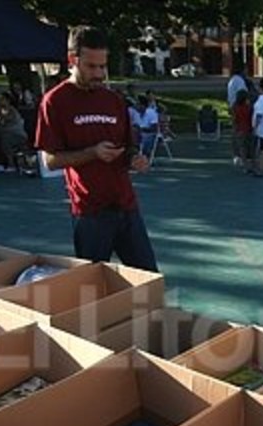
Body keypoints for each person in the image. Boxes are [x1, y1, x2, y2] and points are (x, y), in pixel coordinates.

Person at [35, 26, 158, 271]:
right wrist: (92, 152)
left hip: (126, 206)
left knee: (148, 279)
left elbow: (128, 147)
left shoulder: (113, 100)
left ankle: (148, 312)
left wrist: (135, 159)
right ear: (73, 60)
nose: (100, 74)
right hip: (89, 211)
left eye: (103, 66)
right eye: (92, 67)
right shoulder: (54, 101)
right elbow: (50, 160)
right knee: (92, 287)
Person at [227, 64, 249, 164]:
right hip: (238, 107)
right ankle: (241, 154)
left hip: (233, 106)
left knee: (235, 130)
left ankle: (235, 154)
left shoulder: (232, 80)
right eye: (246, 70)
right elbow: (242, 94)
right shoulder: (240, 81)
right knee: (241, 132)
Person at [231, 89, 254, 171]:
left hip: (239, 128)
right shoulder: (249, 107)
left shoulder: (235, 106)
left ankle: (245, 165)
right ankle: (252, 164)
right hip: (249, 128)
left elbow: (234, 119)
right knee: (250, 147)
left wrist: (234, 128)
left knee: (242, 147)